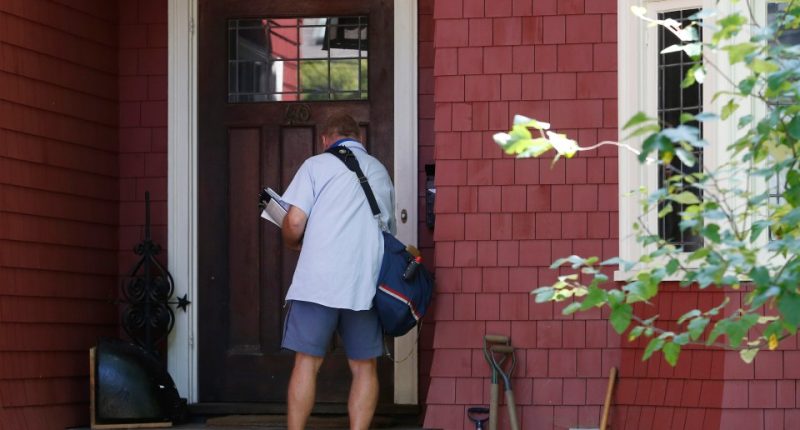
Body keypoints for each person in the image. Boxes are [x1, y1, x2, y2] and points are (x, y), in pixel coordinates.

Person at [280, 112, 396, 430]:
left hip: (320, 281)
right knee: (364, 366)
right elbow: (389, 232)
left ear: (325, 139)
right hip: (366, 282)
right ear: (359, 139)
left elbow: (293, 222)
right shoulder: (380, 171)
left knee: (307, 361)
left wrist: (292, 242)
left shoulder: (316, 166)